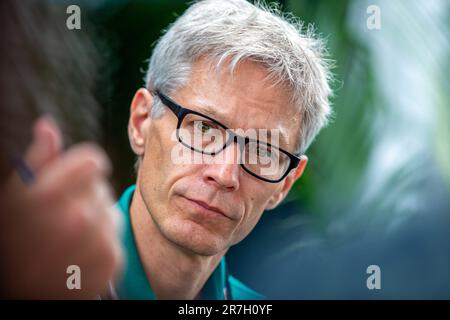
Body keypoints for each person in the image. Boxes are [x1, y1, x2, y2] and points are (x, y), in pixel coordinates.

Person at [111, 0, 332, 299]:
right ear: (141, 122)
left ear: (284, 184)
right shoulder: (36, 275)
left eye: (262, 151)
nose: (225, 173)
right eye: (204, 129)